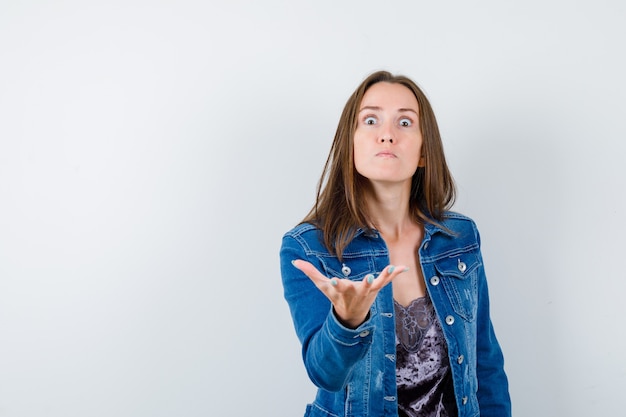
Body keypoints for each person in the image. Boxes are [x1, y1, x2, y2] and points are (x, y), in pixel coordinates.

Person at [279, 71, 511, 417]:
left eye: (405, 122)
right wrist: (348, 319)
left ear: (423, 152)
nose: (387, 135)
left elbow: (485, 361)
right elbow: (325, 374)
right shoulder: (309, 248)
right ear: (352, 144)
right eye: (371, 120)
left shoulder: (459, 239)